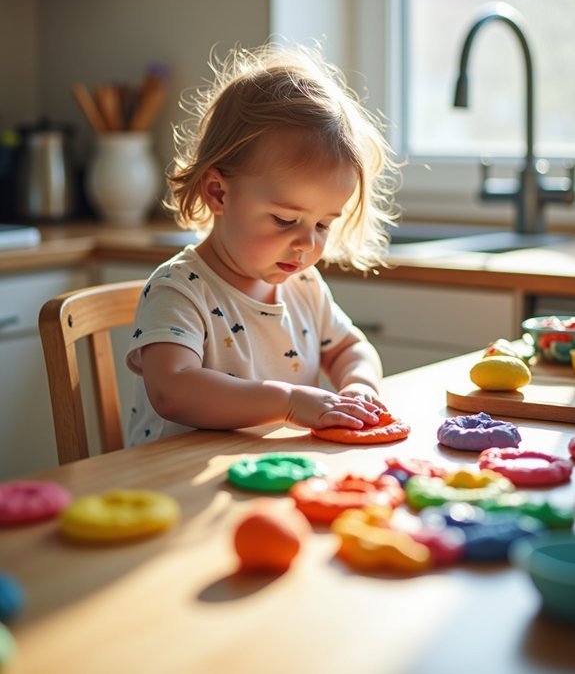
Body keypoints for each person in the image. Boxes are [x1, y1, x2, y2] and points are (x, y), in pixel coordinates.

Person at [126, 42, 400, 445]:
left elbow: (349, 348)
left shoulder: (304, 288)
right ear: (218, 193)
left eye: (324, 224)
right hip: (173, 488)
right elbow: (172, 389)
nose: (307, 243)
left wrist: (360, 388)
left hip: (268, 475)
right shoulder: (179, 289)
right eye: (285, 220)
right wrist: (288, 402)